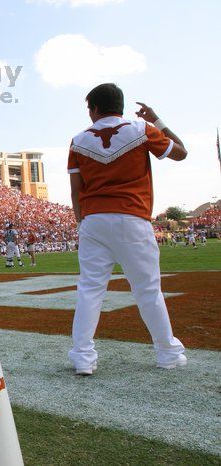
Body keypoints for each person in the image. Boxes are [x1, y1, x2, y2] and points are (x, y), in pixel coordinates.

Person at [67, 83, 187, 375]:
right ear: (119, 105)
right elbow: (181, 153)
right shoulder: (142, 129)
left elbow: (75, 190)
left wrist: (83, 222)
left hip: (94, 219)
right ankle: (167, 353)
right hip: (132, 217)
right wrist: (157, 120)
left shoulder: (78, 140)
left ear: (94, 108)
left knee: (90, 290)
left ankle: (83, 357)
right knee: (147, 290)